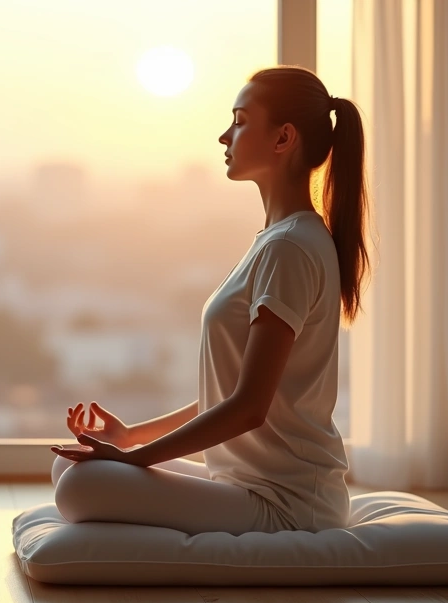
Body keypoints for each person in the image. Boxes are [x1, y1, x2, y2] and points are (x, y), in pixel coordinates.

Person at [50, 65, 369, 535]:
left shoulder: (290, 248)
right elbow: (231, 393)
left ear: (283, 138)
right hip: (245, 482)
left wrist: (134, 458)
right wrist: (130, 438)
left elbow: (248, 407)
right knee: (71, 471)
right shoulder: (278, 239)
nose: (225, 136)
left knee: (80, 486)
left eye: (239, 120)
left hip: (289, 503)